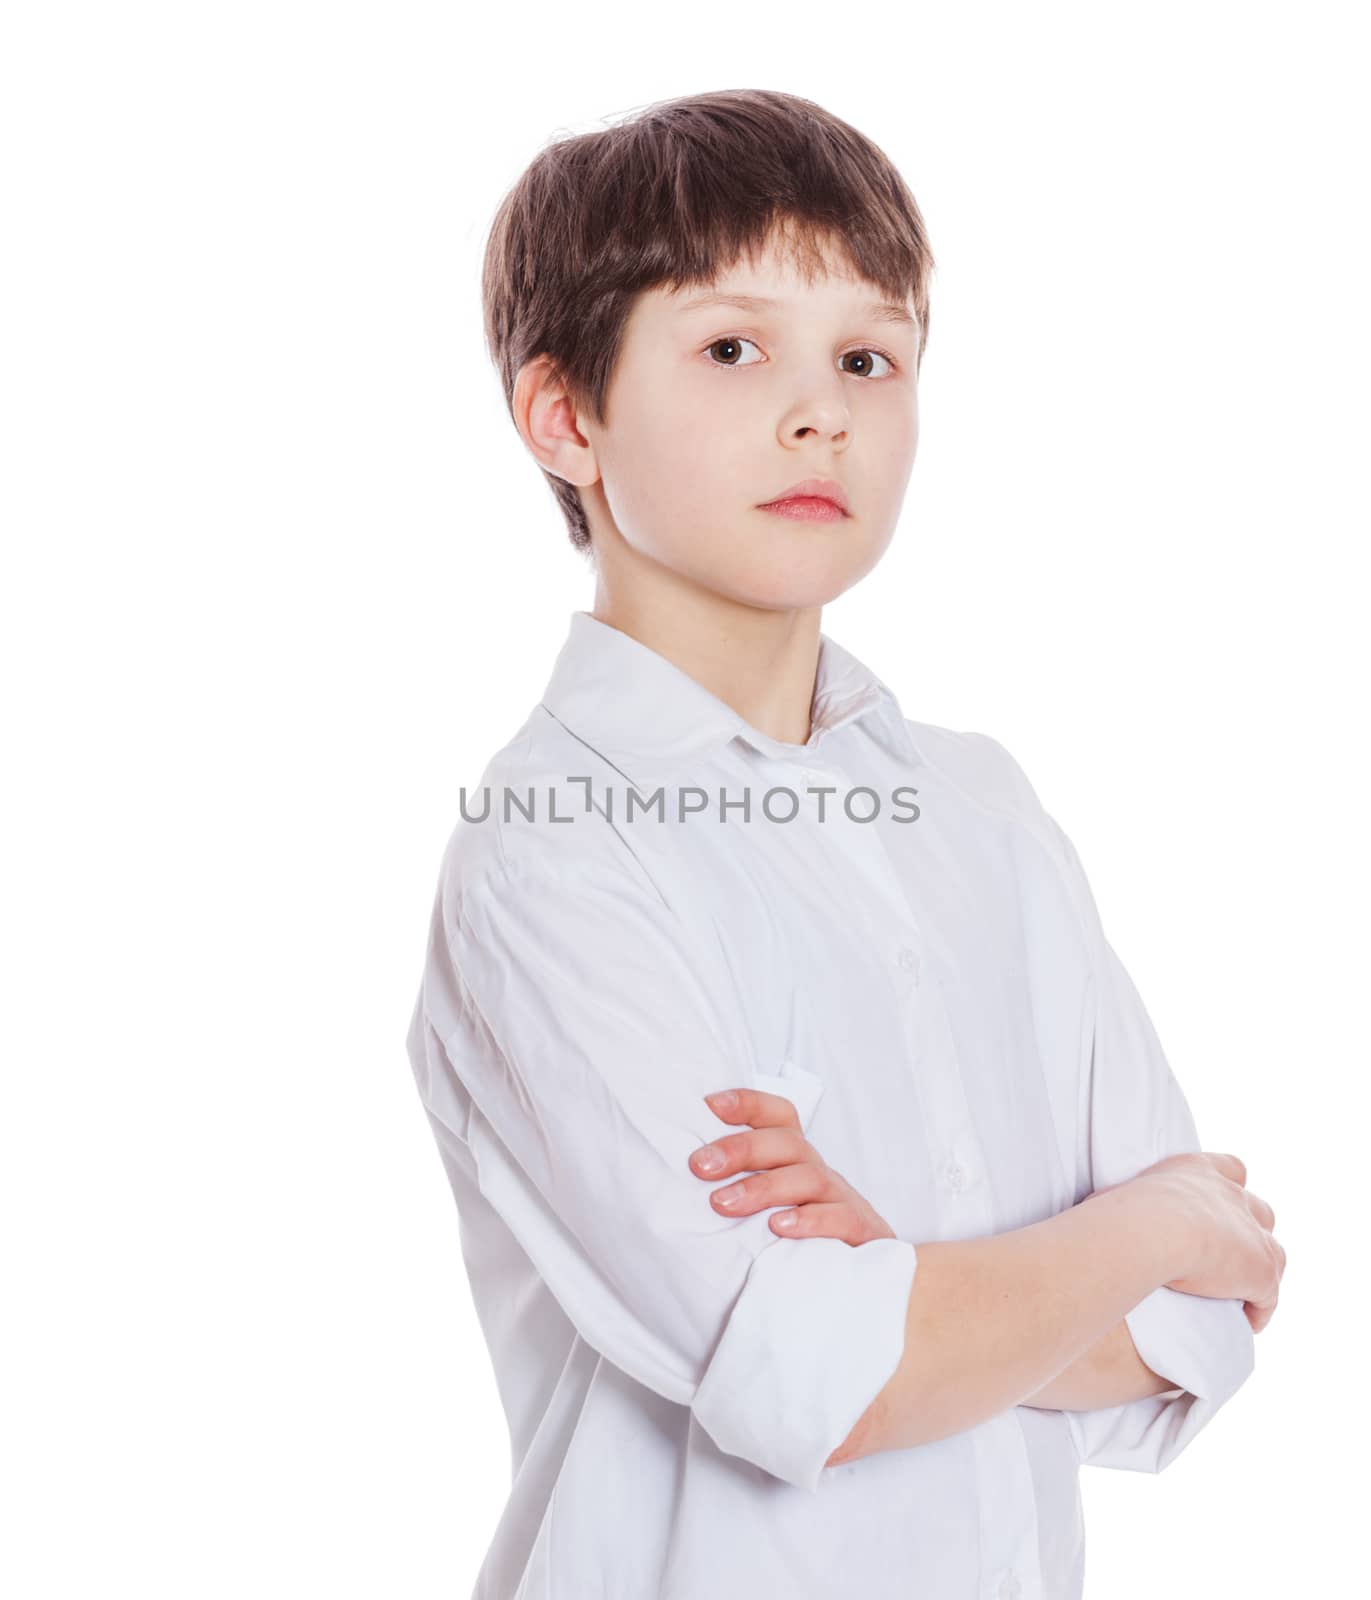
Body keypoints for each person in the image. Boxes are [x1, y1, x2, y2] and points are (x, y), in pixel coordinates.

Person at [404, 87, 1282, 1600]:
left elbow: (1198, 1336)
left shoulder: (983, 809)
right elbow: (825, 1383)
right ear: (568, 416)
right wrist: (1148, 1220)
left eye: (868, 357)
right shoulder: (553, 858)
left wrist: (928, 1282)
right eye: (734, 347)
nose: (824, 411)